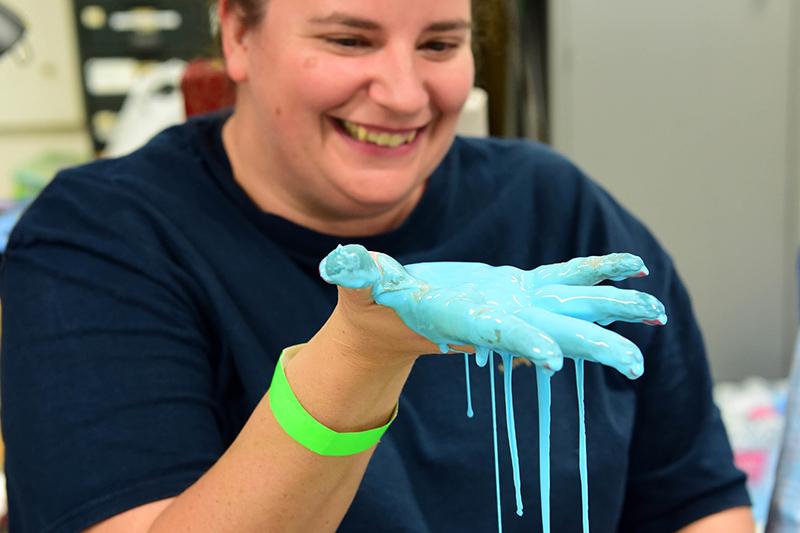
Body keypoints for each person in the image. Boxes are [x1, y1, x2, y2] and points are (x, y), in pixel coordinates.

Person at [0, 0, 754, 531]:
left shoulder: (558, 207)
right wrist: (361, 350)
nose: (402, 94)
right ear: (237, 33)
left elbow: (693, 500)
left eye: (439, 44)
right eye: (349, 40)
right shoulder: (102, 242)